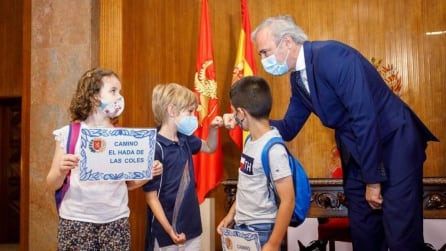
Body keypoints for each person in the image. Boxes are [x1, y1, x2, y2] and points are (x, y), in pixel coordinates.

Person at [223, 15, 438, 251]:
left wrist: (373, 180)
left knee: (402, 238)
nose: (263, 60)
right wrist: (244, 119)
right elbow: (289, 127)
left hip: (394, 145)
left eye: (265, 52)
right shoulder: (298, 78)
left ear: (286, 42)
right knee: (365, 237)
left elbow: (364, 118)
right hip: (358, 154)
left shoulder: (333, 57)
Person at [46, 67, 163, 250]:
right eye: (113, 91)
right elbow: (52, 183)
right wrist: (61, 170)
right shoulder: (68, 134)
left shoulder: (122, 138)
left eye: (120, 91)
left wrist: (148, 173)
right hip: (76, 221)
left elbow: (129, 184)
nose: (119, 97)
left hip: (116, 221)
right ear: (93, 97)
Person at [217, 76, 295, 251]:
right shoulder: (250, 141)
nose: (235, 118)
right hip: (242, 227)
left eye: (235, 113)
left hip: (262, 231)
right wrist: (231, 215)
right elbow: (246, 186)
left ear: (242, 113)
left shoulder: (274, 149)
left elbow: (288, 201)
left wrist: (273, 244)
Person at [143, 83, 223, 251]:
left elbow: (209, 147)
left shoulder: (185, 138)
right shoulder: (154, 146)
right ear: (172, 111)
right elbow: (151, 197)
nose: (193, 116)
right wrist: (170, 230)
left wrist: (213, 129)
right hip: (165, 233)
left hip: (192, 228)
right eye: (190, 111)